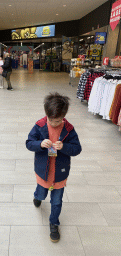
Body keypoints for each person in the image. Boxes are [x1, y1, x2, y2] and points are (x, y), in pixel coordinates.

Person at [26, 92, 82, 243]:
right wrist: (40, 144)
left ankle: (54, 223)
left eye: (57, 121)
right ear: (46, 115)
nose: (53, 123)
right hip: (43, 171)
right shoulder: (39, 126)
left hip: (59, 173)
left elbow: (77, 149)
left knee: (56, 201)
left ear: (63, 116)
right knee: (42, 194)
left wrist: (64, 146)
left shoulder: (69, 130)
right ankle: (37, 196)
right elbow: (29, 143)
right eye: (51, 119)